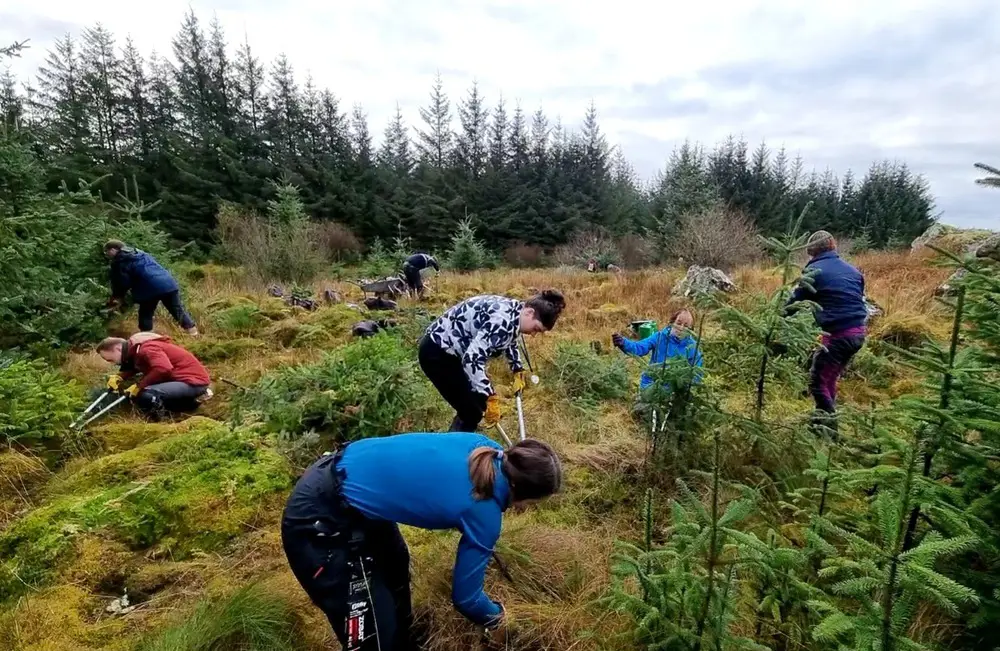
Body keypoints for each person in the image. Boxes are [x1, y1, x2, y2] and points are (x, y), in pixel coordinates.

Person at [281, 433, 562, 650]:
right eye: (532, 502)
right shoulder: (484, 512)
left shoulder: (484, 446)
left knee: (396, 571)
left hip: (353, 498)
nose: (526, 509)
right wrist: (500, 618)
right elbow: (466, 598)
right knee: (375, 637)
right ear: (520, 491)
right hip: (318, 520)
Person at [419, 290, 565, 432]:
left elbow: (510, 337)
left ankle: (462, 434)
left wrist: (517, 369)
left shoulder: (516, 310)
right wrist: (490, 396)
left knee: (477, 401)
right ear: (530, 313)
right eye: (536, 329)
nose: (533, 334)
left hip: (452, 353)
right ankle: (453, 451)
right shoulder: (501, 319)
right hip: (436, 353)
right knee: (471, 412)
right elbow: (472, 360)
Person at [787, 231, 867, 424]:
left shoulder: (814, 271)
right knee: (829, 377)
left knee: (818, 381)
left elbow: (794, 302)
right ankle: (820, 422)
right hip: (859, 333)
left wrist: (776, 317)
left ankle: (830, 428)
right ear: (832, 246)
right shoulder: (854, 271)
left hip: (838, 335)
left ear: (811, 251)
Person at [96, 332, 212, 419]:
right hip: (180, 380)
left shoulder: (147, 348)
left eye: (109, 359)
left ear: (118, 349)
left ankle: (162, 421)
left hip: (192, 382)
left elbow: (163, 369)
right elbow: (137, 365)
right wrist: (120, 377)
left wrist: (139, 386)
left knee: (146, 395)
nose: (111, 362)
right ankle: (191, 403)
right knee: (142, 393)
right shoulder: (135, 351)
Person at [104, 240, 198, 335]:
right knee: (177, 310)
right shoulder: (140, 253)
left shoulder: (119, 262)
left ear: (113, 249)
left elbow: (122, 283)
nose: (106, 254)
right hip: (169, 283)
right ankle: (194, 334)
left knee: (146, 314)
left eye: (106, 252)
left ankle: (147, 337)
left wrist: (118, 297)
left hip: (149, 288)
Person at [612, 309, 703, 391]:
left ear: (691, 329)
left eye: (686, 326)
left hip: (676, 392)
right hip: (651, 384)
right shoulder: (659, 337)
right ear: (672, 323)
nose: (681, 328)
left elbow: (696, 373)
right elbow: (640, 347)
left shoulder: (692, 347)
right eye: (678, 323)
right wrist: (624, 343)